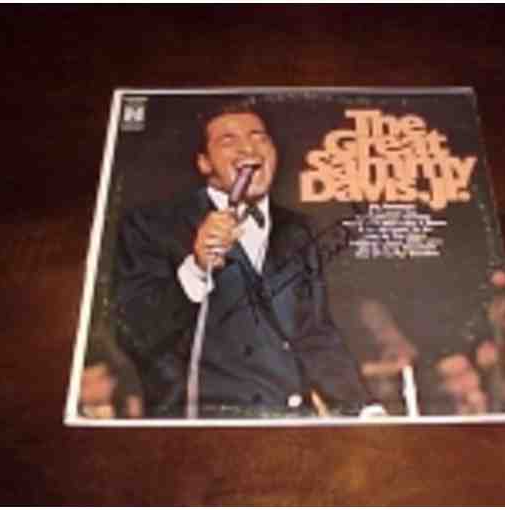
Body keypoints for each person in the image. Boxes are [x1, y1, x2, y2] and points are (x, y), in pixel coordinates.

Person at [113, 103, 377, 418]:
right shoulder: (150, 225)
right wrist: (196, 268)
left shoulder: (299, 229)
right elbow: (137, 331)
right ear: (204, 162)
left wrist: (363, 409)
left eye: (259, 137)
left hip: (291, 423)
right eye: (229, 140)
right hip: (201, 424)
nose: (249, 148)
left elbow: (316, 334)